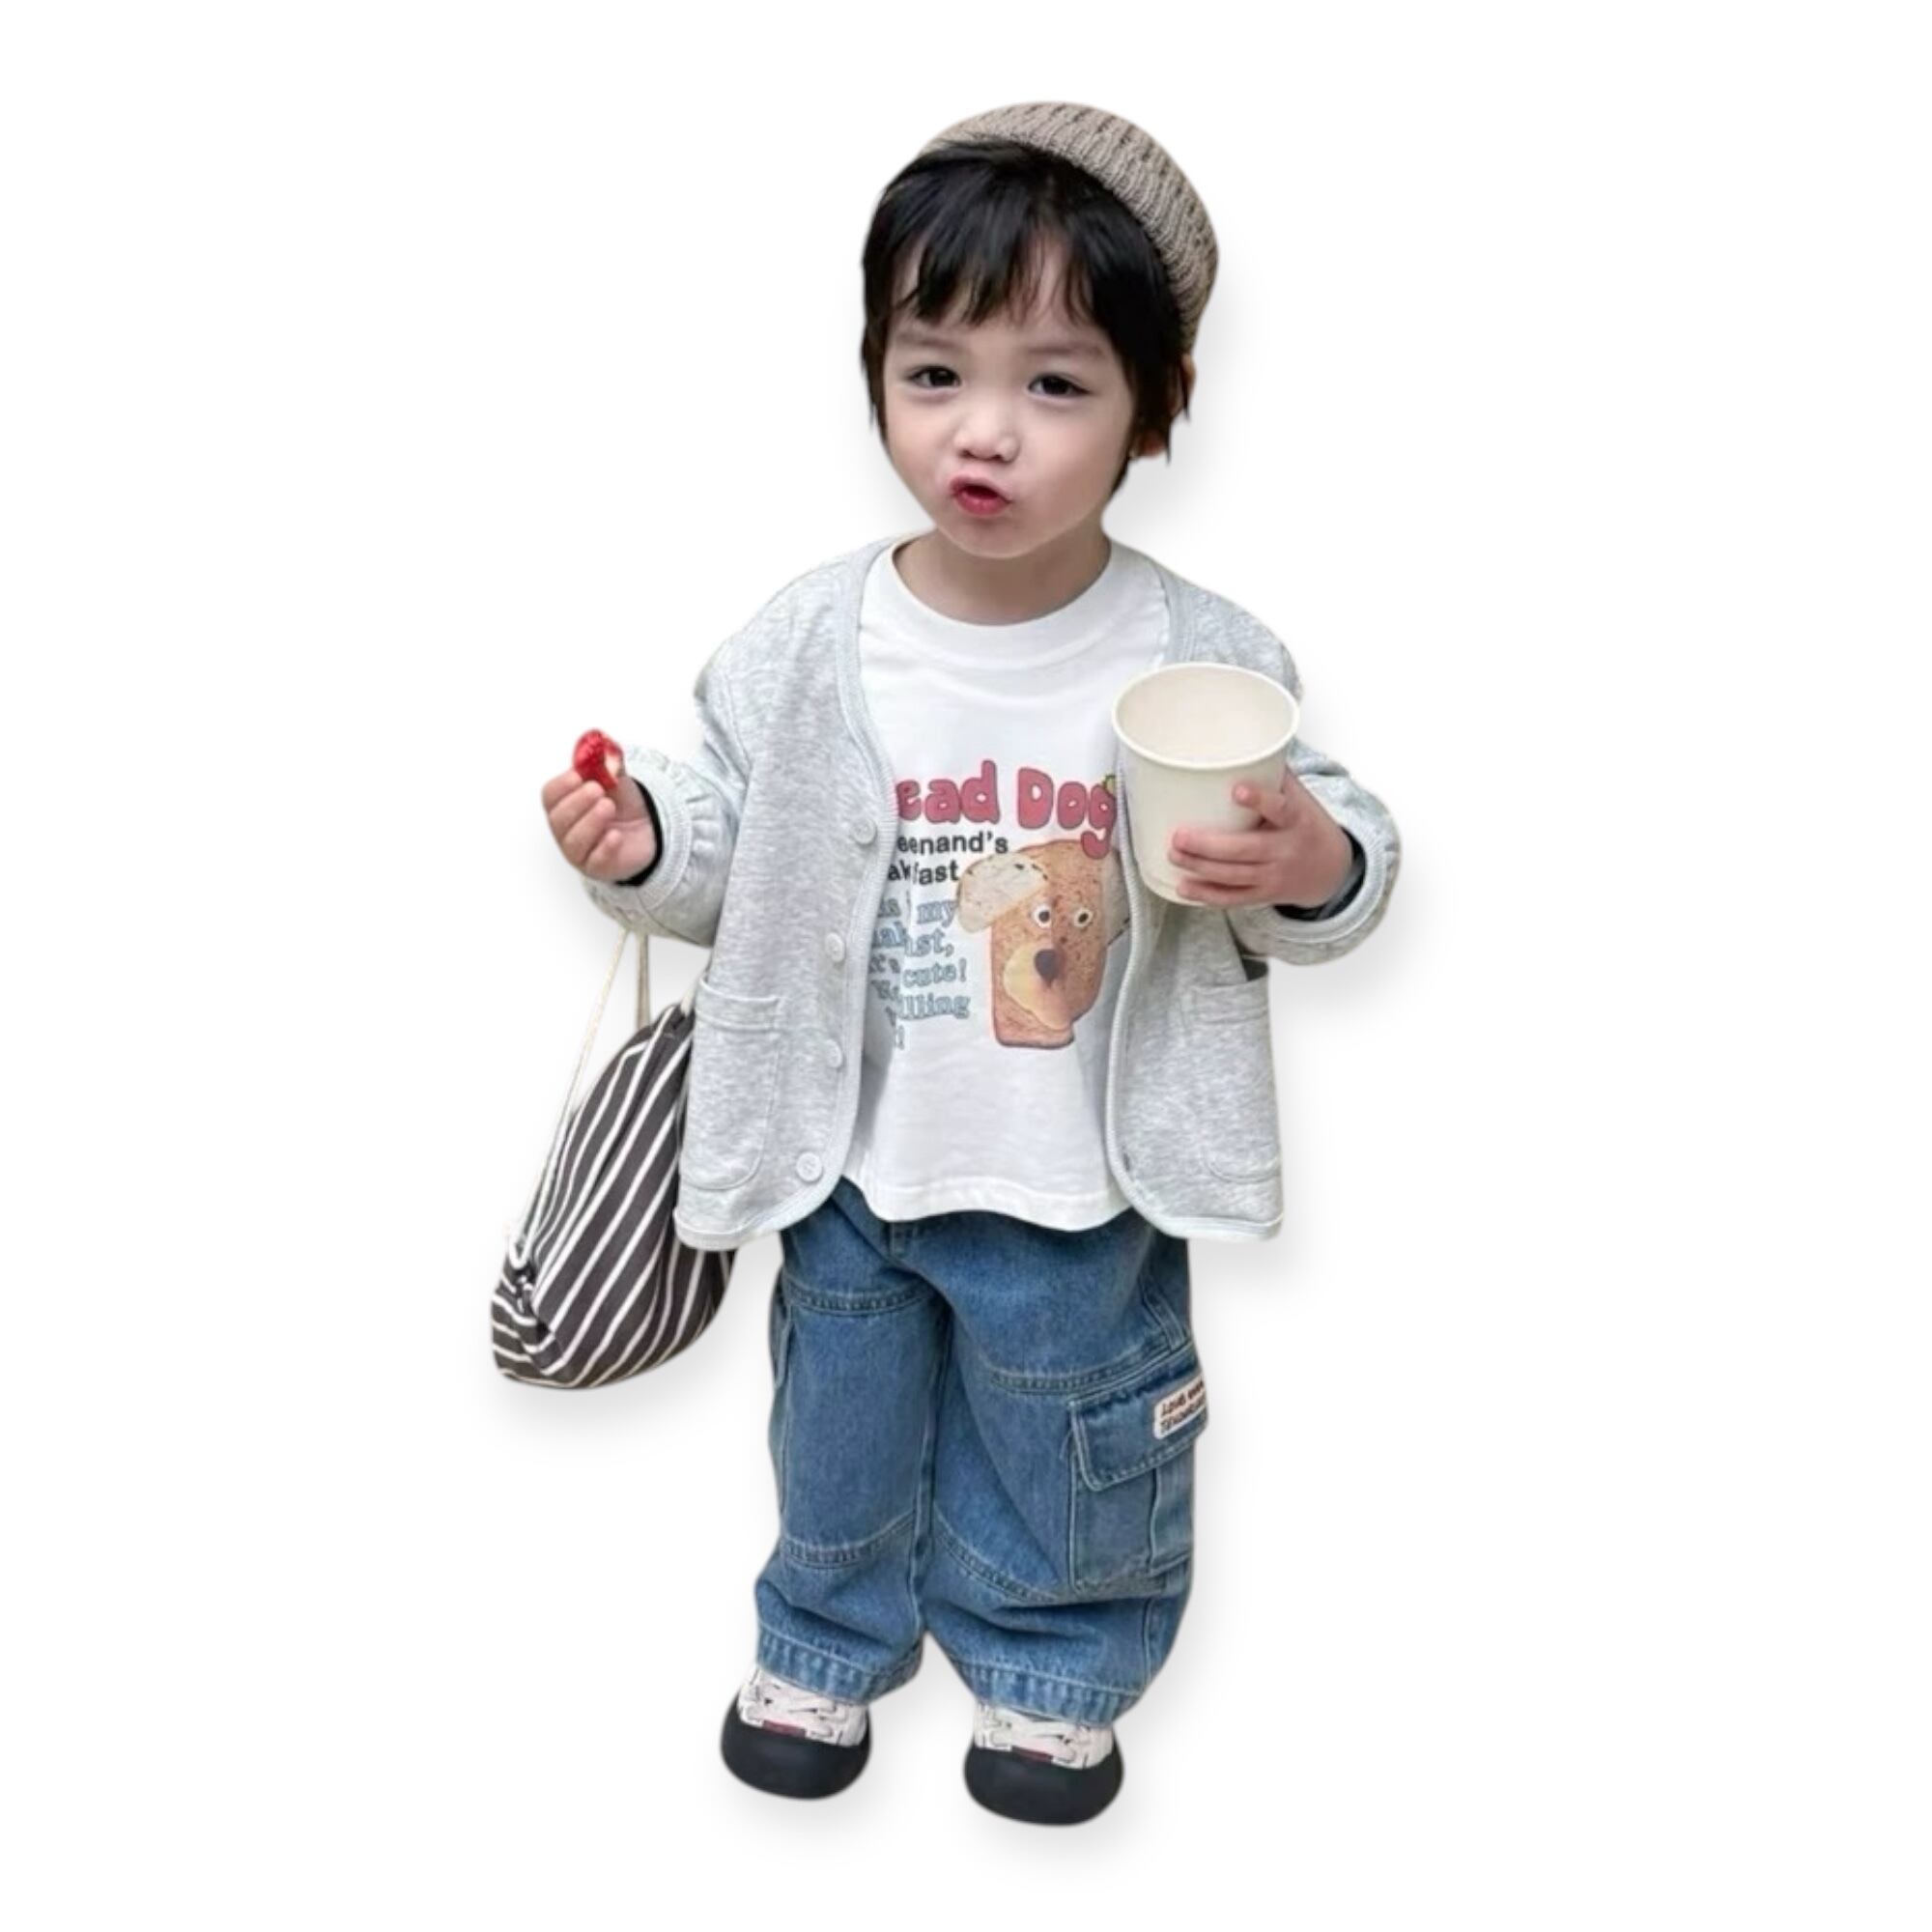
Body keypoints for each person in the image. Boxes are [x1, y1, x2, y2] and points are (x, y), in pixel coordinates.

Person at [538, 101, 1401, 1827]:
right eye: (933, 373)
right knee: (836, 1425)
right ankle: (822, 1640)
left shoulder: (1199, 651)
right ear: (875, 371)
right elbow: (733, 845)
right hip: (854, 1158)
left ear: (1157, 405)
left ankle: (1051, 1672)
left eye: (1055, 384)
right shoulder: (810, 637)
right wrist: (645, 843)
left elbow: (1339, 846)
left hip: (1083, 1176)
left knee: (1077, 1436)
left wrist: (1313, 863)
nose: (982, 431)